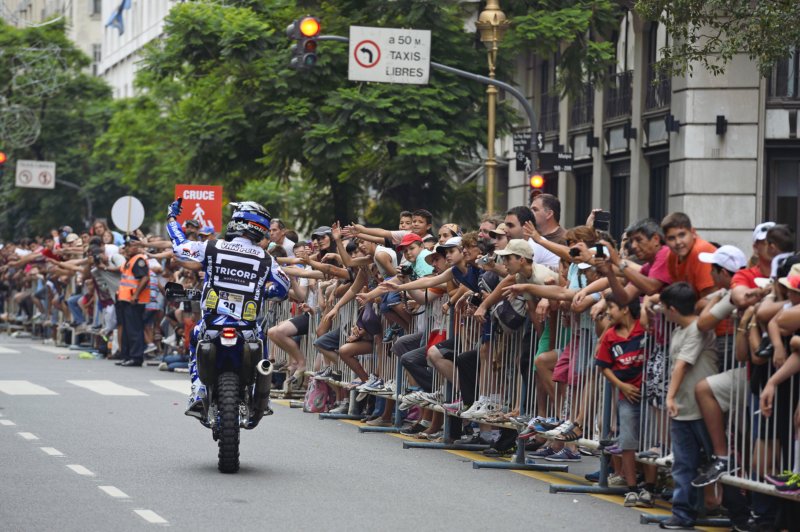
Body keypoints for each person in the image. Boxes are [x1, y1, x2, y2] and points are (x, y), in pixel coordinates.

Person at [166, 199, 290, 418]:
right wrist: (266, 292)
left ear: (238, 222)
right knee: (261, 345)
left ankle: (198, 391)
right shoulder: (266, 258)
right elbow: (283, 286)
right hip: (247, 329)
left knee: (195, 337)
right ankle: (261, 395)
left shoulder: (213, 246)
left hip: (212, 325)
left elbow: (180, 248)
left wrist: (172, 219)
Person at [660, 282, 720, 530]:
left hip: (703, 410)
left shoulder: (697, 329)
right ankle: (683, 514)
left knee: (716, 463)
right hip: (683, 411)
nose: (661, 311)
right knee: (684, 464)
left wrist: (669, 397)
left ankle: (736, 512)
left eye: (663, 308)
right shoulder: (678, 331)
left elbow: (682, 365)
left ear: (672, 309)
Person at [593, 294, 654, 508]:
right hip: (626, 397)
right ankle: (632, 489)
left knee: (650, 442)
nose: (608, 312)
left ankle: (649, 488)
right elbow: (603, 366)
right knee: (627, 442)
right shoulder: (610, 335)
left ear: (626, 309)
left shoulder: (643, 328)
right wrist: (622, 386)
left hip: (649, 394)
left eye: (611, 306)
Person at [115, 237, 150, 367]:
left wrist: (135, 294)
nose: (127, 248)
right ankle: (127, 356)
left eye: (129, 246)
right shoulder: (129, 260)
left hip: (134, 300)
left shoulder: (139, 260)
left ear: (135, 247)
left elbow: (144, 278)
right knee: (127, 330)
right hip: (125, 299)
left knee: (134, 330)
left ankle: (136, 357)